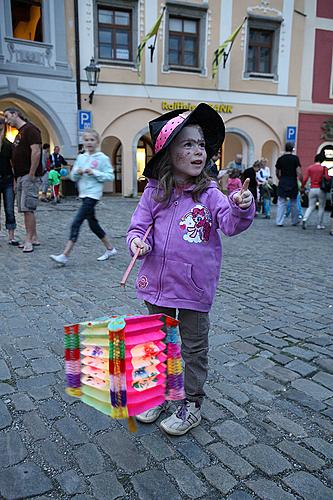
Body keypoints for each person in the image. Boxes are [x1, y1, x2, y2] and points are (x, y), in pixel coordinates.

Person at [126, 103, 255, 436]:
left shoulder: (211, 194)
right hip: (156, 283)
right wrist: (138, 242)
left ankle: (192, 404)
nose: (199, 151)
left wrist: (242, 206)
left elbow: (229, 224)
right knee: (157, 343)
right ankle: (157, 395)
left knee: (194, 348)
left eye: (201, 145)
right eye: (188, 144)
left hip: (194, 289)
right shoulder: (154, 192)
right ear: (170, 154)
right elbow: (138, 227)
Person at [50, 129, 116, 265]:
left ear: (97, 142)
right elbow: (72, 176)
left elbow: (110, 176)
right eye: (86, 140)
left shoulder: (102, 158)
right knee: (93, 224)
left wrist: (95, 172)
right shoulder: (81, 158)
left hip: (93, 195)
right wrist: (78, 172)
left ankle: (65, 255)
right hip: (84, 194)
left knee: (76, 222)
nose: (89, 142)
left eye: (92, 140)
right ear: (83, 142)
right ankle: (110, 249)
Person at [4, 107, 42, 253]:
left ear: (16, 114)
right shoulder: (19, 133)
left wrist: (31, 174)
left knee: (27, 208)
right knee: (26, 208)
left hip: (28, 175)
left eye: (8, 117)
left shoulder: (31, 130)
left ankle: (28, 240)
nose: (7, 121)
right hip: (21, 176)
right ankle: (34, 237)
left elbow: (36, 151)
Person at [0, 114, 19, 245]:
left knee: (9, 208)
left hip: (7, 179)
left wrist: (14, 182)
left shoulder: (8, 145)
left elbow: (13, 165)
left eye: (1, 126)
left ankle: (11, 236)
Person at [275, 142, 302, 227]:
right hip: (292, 181)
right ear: (293, 148)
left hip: (283, 180)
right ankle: (294, 221)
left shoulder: (280, 159)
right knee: (294, 202)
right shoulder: (295, 158)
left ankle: (279, 221)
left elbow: (277, 172)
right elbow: (298, 171)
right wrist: (301, 180)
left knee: (281, 202)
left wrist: (280, 179)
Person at [301, 154, 330, 230]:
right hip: (321, 190)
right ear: (322, 160)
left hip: (312, 189)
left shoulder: (310, 168)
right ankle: (319, 224)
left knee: (311, 206)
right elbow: (327, 178)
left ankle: (305, 219)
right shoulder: (324, 168)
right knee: (321, 207)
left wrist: (302, 187)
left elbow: (305, 179)